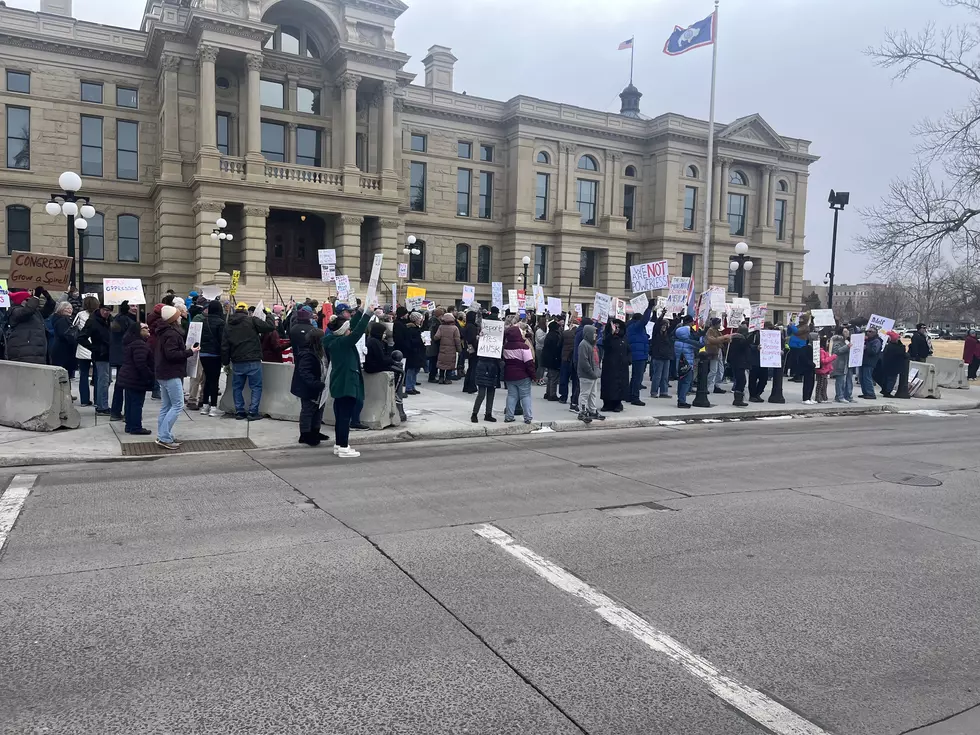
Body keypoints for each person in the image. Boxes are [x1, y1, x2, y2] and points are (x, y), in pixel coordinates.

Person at [323, 307, 371, 458]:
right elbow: (357, 333)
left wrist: (359, 313)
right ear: (343, 332)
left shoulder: (333, 340)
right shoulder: (342, 343)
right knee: (345, 418)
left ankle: (339, 444)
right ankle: (343, 447)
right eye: (347, 329)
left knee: (341, 417)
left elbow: (350, 327)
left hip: (340, 384)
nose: (350, 330)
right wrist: (367, 316)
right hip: (347, 385)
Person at [154, 305, 198, 450]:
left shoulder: (163, 331)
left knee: (166, 406)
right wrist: (189, 352)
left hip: (163, 372)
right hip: (171, 373)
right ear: (173, 319)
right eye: (178, 316)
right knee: (177, 405)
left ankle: (163, 435)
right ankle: (164, 437)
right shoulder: (172, 334)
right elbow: (172, 355)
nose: (180, 317)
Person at [222, 302, 275, 420]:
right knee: (256, 387)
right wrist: (269, 314)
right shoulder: (252, 320)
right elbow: (270, 327)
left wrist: (225, 362)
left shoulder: (228, 324)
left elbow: (225, 345)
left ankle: (239, 411)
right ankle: (252, 412)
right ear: (246, 311)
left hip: (237, 360)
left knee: (237, 387)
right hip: (253, 359)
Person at [291, 328, 330, 447]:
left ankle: (315, 431)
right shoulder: (307, 353)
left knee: (319, 409)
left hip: (320, 386)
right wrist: (315, 383)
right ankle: (305, 434)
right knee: (308, 410)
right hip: (310, 388)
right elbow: (304, 372)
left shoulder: (319, 351)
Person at [117, 322, 154, 435]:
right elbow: (141, 363)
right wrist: (149, 376)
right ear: (138, 331)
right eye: (145, 328)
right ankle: (136, 427)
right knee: (136, 403)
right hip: (136, 378)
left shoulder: (132, 343)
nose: (148, 330)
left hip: (129, 378)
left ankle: (130, 425)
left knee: (130, 403)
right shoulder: (139, 344)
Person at [77, 304, 113, 414]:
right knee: (103, 380)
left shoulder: (110, 321)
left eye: (109, 310)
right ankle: (102, 406)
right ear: (100, 309)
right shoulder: (92, 321)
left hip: (109, 354)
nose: (106, 312)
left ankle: (102, 404)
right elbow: (81, 337)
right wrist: (94, 348)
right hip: (100, 355)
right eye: (104, 310)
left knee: (106, 381)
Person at [5, 288, 55, 364]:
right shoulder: (15, 311)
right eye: (28, 300)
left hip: (37, 352)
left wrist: (47, 296)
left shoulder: (35, 313)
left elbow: (47, 310)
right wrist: (36, 297)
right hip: (24, 353)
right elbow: (27, 311)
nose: (31, 301)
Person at [503, 319, 535, 423]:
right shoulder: (524, 347)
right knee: (525, 396)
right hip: (523, 375)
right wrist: (533, 376)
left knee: (511, 396)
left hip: (509, 375)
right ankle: (528, 417)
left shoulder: (505, 347)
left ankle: (509, 416)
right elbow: (529, 363)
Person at [108, 301, 137, 420]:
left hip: (121, 356)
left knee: (120, 385)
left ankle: (116, 411)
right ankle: (124, 412)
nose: (135, 308)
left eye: (136, 305)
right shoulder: (126, 320)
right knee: (126, 385)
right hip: (125, 356)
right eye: (132, 306)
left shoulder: (119, 318)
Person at [198, 300, 225, 417]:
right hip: (215, 354)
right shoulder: (221, 322)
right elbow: (222, 340)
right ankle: (213, 406)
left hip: (203, 353)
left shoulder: (203, 321)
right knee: (214, 380)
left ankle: (205, 406)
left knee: (207, 379)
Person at [471, 327, 503, 423]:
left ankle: (483, 414)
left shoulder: (487, 342)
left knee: (487, 392)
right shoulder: (485, 341)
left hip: (486, 366)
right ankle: (479, 413)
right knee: (485, 393)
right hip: (489, 367)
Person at [626, 301, 655, 406]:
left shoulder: (633, 328)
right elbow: (644, 320)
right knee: (637, 377)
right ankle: (635, 397)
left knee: (635, 377)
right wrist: (649, 308)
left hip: (638, 354)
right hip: (638, 355)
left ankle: (629, 395)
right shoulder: (636, 326)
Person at [73, 296, 100, 406]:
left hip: (83, 347)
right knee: (98, 375)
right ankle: (98, 400)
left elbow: (73, 325)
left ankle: (84, 400)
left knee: (83, 375)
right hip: (96, 347)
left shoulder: (80, 315)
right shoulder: (99, 315)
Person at [600, 318, 630, 413]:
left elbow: (629, 350)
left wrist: (628, 360)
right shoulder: (608, 338)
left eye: (618, 327)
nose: (616, 329)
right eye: (614, 326)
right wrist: (611, 333)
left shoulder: (624, 338)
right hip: (610, 365)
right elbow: (604, 344)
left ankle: (617, 404)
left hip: (621, 366)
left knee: (619, 385)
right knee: (608, 385)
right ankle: (607, 404)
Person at [576, 323, 603, 423]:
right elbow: (584, 362)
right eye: (594, 333)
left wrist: (597, 371)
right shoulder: (583, 345)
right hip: (587, 375)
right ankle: (582, 411)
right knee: (585, 394)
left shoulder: (593, 345)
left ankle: (592, 410)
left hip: (593, 374)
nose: (596, 335)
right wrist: (591, 372)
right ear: (588, 333)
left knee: (593, 394)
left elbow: (596, 360)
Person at [673, 316, 700, 409]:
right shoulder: (689, 342)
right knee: (686, 382)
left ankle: (680, 399)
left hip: (679, 363)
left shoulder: (677, 341)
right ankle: (682, 400)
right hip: (688, 364)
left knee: (681, 381)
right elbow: (700, 344)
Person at [48, 301, 78, 380]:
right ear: (61, 309)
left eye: (71, 308)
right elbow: (64, 334)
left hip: (62, 350)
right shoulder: (63, 320)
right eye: (67, 308)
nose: (70, 310)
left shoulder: (63, 319)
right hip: (63, 351)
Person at [399, 312, 426, 395]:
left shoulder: (416, 328)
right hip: (413, 352)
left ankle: (412, 386)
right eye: (419, 319)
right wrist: (421, 340)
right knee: (411, 370)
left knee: (415, 370)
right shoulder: (410, 329)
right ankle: (409, 387)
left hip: (417, 351)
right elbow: (410, 341)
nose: (421, 320)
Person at [703, 317, 732, 395]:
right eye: (719, 323)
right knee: (713, 370)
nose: (720, 325)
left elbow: (720, 340)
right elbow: (712, 340)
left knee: (720, 370)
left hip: (719, 351)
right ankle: (706, 387)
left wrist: (727, 339)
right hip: (713, 352)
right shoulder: (710, 331)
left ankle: (717, 386)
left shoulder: (717, 331)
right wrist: (724, 337)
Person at [648, 308, 673, 399]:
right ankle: (654, 392)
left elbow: (673, 325)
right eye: (663, 325)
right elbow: (657, 324)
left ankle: (664, 392)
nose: (664, 327)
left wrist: (677, 315)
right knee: (657, 376)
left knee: (665, 376)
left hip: (666, 357)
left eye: (665, 326)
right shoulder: (656, 334)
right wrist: (662, 315)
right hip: (658, 357)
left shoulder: (668, 335)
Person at [434, 312, 461, 384]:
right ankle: (448, 379)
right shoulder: (455, 328)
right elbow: (457, 340)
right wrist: (459, 349)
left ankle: (441, 378)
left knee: (442, 364)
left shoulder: (441, 327)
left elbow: (436, 337)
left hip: (442, 348)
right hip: (451, 349)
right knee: (450, 364)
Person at [727, 327, 751, 407]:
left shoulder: (734, 339)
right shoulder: (739, 340)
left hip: (737, 362)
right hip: (739, 362)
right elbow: (746, 344)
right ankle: (738, 399)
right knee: (741, 380)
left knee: (740, 380)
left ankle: (738, 399)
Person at [558, 318, 580, 408]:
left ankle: (563, 396)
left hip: (565, 358)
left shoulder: (565, 333)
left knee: (564, 378)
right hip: (575, 359)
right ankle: (574, 398)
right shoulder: (579, 333)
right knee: (575, 380)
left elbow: (559, 345)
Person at [830, 330, 855, 403]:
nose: (847, 333)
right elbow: (837, 351)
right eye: (845, 331)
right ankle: (839, 396)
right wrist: (847, 347)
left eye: (847, 331)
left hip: (847, 363)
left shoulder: (846, 340)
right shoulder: (837, 341)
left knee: (847, 381)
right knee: (840, 381)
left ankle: (847, 396)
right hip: (840, 363)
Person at [541, 319, 563, 401]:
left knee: (550, 376)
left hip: (547, 358)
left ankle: (548, 393)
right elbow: (556, 348)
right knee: (554, 377)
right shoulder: (555, 336)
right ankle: (552, 394)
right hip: (553, 359)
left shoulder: (549, 335)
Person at [880, 330, 907, 397]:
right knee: (892, 380)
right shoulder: (898, 347)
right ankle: (888, 392)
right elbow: (903, 354)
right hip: (894, 366)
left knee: (887, 379)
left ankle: (885, 390)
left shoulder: (888, 346)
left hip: (887, 366)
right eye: (898, 338)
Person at [859, 327, 883, 399]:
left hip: (870, 362)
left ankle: (870, 393)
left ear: (875, 333)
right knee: (862, 378)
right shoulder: (868, 340)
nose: (868, 333)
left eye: (870, 332)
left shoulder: (877, 341)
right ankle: (865, 392)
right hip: (863, 361)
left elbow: (874, 351)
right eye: (868, 331)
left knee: (867, 377)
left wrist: (866, 348)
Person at [461, 310, 480, 394]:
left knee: (470, 368)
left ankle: (467, 386)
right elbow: (472, 339)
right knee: (473, 368)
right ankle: (472, 387)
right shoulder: (472, 327)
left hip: (468, 349)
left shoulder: (467, 325)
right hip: (473, 350)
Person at [814, 336, 835, 404]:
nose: (828, 344)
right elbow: (823, 361)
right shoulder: (821, 351)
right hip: (822, 371)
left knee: (824, 384)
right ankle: (818, 397)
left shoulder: (825, 351)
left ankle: (824, 397)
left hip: (825, 371)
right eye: (827, 342)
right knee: (820, 384)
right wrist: (832, 357)